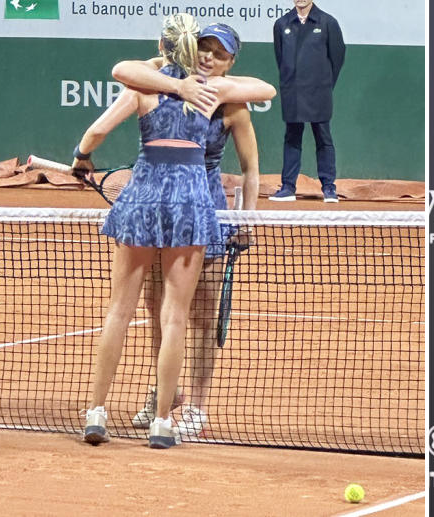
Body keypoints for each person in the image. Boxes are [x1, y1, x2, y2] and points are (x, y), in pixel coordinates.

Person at [78, 13, 274, 449]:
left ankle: (193, 407)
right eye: (204, 48)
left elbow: (252, 161)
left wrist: (246, 219)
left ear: (230, 62)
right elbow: (128, 70)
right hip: (182, 206)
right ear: (190, 48)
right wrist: (177, 82)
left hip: (201, 209)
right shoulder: (162, 82)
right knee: (159, 309)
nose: (209, 56)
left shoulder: (227, 97)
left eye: (220, 54)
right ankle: (163, 403)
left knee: (195, 315)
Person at [268, 0, 345, 203]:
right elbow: (280, 59)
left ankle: (329, 188)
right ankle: (287, 187)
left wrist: (324, 85)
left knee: (323, 138)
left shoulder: (328, 22)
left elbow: (337, 58)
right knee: (292, 137)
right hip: (292, 92)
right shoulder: (281, 24)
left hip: (319, 93)